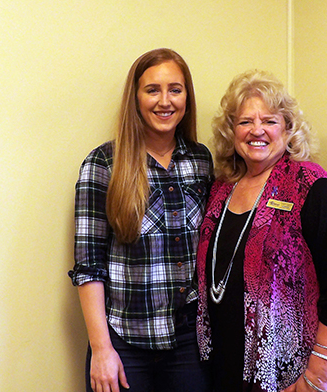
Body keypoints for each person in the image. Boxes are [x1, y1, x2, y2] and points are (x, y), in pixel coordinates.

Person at [196, 70, 327, 392]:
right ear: (231, 131)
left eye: (270, 121)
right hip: (230, 368)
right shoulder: (221, 189)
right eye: (245, 122)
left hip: (299, 376)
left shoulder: (312, 188)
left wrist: (315, 379)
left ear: (288, 130)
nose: (256, 130)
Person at [69, 48, 213, 392]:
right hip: (124, 341)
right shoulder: (104, 164)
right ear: (135, 98)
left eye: (175, 90)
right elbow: (89, 266)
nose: (165, 101)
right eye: (152, 90)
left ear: (187, 98)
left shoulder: (201, 160)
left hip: (188, 342)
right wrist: (102, 350)